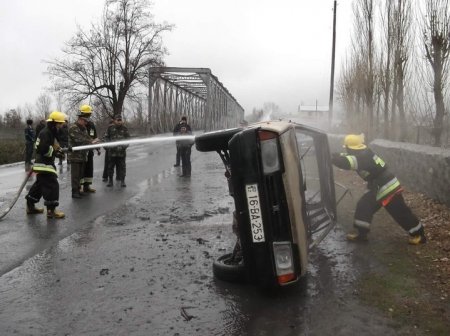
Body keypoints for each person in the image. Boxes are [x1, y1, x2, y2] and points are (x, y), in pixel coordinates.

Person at [331, 134, 426, 245]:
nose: (345, 149)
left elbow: (346, 162)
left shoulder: (360, 157)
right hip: (380, 185)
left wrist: (332, 158)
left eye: (346, 147)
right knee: (365, 206)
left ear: (350, 147)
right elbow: (346, 156)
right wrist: (336, 155)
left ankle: (419, 235)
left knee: (399, 211)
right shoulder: (363, 152)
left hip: (386, 186)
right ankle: (361, 234)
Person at [25, 111, 67, 219]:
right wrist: (56, 152)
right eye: (60, 124)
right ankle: (51, 211)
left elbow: (54, 144)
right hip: (44, 163)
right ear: (54, 123)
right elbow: (43, 149)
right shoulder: (46, 132)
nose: (61, 126)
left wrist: (60, 150)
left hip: (44, 162)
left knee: (40, 185)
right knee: (52, 184)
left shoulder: (50, 131)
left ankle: (30, 206)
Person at [68, 109, 100, 198]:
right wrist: (91, 142)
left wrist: (94, 141)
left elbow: (87, 138)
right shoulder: (73, 128)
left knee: (80, 174)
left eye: (86, 121)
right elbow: (79, 140)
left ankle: (78, 189)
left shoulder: (84, 128)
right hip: (75, 156)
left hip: (82, 155)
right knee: (75, 175)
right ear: (80, 119)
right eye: (85, 121)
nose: (86, 123)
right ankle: (74, 192)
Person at [103, 114, 130, 187]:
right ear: (114, 121)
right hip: (112, 153)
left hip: (121, 153)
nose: (119, 122)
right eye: (117, 120)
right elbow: (106, 138)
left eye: (120, 120)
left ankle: (122, 181)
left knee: (122, 167)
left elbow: (128, 139)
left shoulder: (125, 129)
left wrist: (123, 147)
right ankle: (110, 181)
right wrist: (108, 146)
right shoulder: (110, 128)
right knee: (110, 167)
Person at [78, 105, 99, 193]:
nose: (89, 116)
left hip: (89, 150)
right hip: (81, 152)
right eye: (88, 114)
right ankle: (80, 187)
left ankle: (87, 186)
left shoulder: (91, 124)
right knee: (81, 169)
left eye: (89, 114)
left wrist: (97, 148)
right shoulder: (78, 125)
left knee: (89, 169)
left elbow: (95, 136)